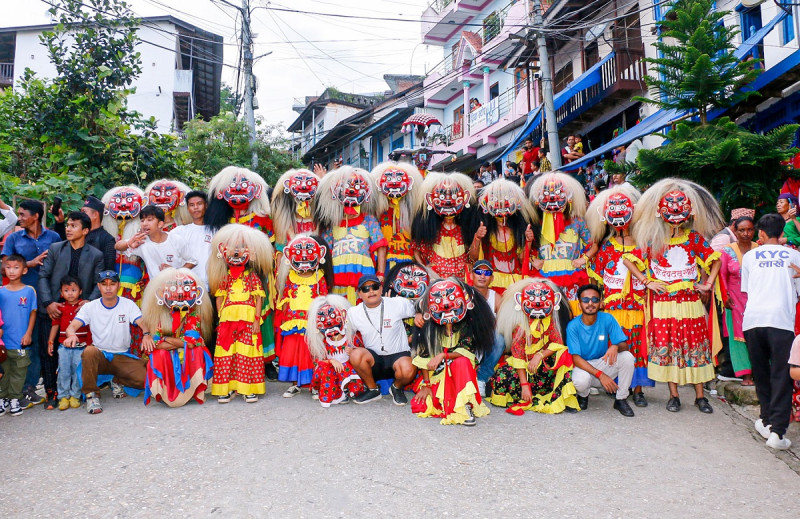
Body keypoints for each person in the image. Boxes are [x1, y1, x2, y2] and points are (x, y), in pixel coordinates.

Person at [631, 178, 725, 414]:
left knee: (696, 347)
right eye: (669, 207)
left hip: (690, 302)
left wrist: (708, 283)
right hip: (663, 304)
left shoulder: (694, 238)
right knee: (667, 346)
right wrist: (647, 281)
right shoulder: (653, 239)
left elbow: (715, 260)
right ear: (660, 211)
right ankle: (673, 396)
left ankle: (700, 396)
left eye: (679, 207)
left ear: (688, 211)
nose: (674, 212)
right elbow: (630, 260)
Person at [741, 213, 800, 450]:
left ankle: (766, 421)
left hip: (753, 320)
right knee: (781, 376)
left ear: (761, 234)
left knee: (761, 373)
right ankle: (777, 431)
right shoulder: (795, 255)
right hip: (781, 322)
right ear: (781, 233)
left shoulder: (750, 256)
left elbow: (746, 289)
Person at [37, 211, 103, 408]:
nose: (68, 228)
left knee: (78, 354)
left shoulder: (96, 254)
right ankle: (51, 393)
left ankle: (78, 391)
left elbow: (99, 282)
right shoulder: (56, 248)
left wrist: (89, 301)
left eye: (73, 225)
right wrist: (48, 302)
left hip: (81, 312)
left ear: (85, 230)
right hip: (54, 308)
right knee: (49, 352)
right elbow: (43, 276)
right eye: (67, 225)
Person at [64, 270, 153, 414]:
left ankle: (117, 380)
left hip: (122, 356)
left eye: (112, 284)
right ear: (99, 286)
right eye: (104, 284)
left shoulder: (128, 304)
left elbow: (141, 321)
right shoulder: (90, 307)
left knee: (148, 379)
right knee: (89, 351)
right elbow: (71, 327)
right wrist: (71, 335)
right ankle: (92, 395)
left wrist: (147, 334)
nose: (108, 288)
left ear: (118, 285)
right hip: (101, 356)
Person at [2, 199, 61, 408]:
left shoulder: (53, 237)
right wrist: (30, 263)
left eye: (23, 214)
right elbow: (4, 267)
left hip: (46, 298)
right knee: (16, 342)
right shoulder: (14, 238)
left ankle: (30, 387)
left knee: (38, 342)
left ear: (36, 216)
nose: (19, 218)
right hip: (18, 299)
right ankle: (11, 390)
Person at [411, 278, 493, 426]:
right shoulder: (426, 324)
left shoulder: (468, 324)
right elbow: (423, 356)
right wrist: (427, 384)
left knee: (462, 361)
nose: (447, 305)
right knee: (421, 405)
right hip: (437, 375)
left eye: (450, 299)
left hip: (461, 373)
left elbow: (466, 350)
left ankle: (465, 405)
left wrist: (443, 355)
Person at [208, 224, 273, 403]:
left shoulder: (252, 276)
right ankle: (227, 388)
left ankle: (248, 389)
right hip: (228, 319)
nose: (236, 254)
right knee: (227, 353)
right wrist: (222, 317)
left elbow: (259, 298)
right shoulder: (224, 276)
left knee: (247, 352)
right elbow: (219, 297)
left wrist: (256, 320)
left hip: (248, 317)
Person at [141, 268, 213, 407]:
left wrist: (165, 339)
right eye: (175, 288)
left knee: (196, 351)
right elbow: (156, 345)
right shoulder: (159, 314)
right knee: (158, 354)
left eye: (185, 288)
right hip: (170, 356)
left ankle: (194, 388)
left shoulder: (193, 315)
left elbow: (191, 344)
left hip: (186, 355)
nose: (180, 294)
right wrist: (181, 342)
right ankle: (166, 391)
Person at [347, 274, 418, 405]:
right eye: (366, 289)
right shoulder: (353, 313)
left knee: (408, 368)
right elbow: (346, 335)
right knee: (355, 354)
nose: (371, 291)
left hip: (398, 355)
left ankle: (396, 387)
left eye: (374, 287)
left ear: (381, 289)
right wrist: (349, 347)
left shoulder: (397, 303)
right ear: (359, 294)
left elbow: (419, 308)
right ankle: (373, 389)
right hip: (374, 360)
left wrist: (419, 317)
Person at [566, 284, 636, 417]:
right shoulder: (573, 326)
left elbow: (624, 345)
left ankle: (621, 399)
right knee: (580, 381)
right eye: (586, 300)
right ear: (579, 305)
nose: (590, 303)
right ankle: (583, 396)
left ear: (600, 303)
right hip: (584, 366)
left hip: (602, 362)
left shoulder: (607, 318)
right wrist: (601, 375)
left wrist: (615, 346)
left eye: (595, 300)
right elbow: (576, 358)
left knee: (627, 357)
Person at [306, 295, 364, 407]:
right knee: (326, 369)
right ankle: (333, 392)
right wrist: (331, 361)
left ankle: (347, 389)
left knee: (346, 368)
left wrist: (353, 351)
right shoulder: (322, 343)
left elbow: (362, 353)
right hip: (330, 372)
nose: (328, 322)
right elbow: (318, 362)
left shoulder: (352, 338)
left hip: (346, 369)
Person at [719, 215, 757, 386]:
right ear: (735, 230)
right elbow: (722, 276)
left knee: (756, 335)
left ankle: (759, 372)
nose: (746, 233)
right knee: (737, 337)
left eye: (749, 229)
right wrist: (725, 296)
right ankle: (745, 375)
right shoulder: (727, 250)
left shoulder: (759, 249)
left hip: (757, 300)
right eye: (742, 230)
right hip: (733, 300)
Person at [115, 205, 197, 281]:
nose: (145, 224)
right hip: (156, 289)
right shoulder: (141, 241)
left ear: (160, 224)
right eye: (142, 221)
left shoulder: (176, 239)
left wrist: (175, 272)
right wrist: (129, 243)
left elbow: (192, 261)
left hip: (178, 286)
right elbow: (117, 246)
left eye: (149, 220)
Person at [0, 254, 37, 417]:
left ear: (24, 270)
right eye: (8, 267)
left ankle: (15, 399)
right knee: (4, 372)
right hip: (3, 341)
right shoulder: (1, 291)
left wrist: (28, 333)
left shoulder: (29, 291)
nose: (12, 271)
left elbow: (33, 313)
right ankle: (3, 399)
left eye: (16, 267)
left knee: (19, 372)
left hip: (20, 340)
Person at [47, 276, 91, 410]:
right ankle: (63, 396)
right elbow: (55, 325)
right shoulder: (60, 308)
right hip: (64, 347)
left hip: (81, 347)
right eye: (66, 290)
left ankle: (75, 396)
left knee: (77, 372)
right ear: (61, 293)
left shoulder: (85, 307)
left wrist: (90, 344)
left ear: (80, 291)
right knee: (63, 371)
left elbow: (90, 327)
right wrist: (50, 341)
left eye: (73, 290)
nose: (70, 293)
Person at [469, 260, 505, 396]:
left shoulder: (496, 297)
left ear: (492, 278)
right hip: (465, 338)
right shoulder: (463, 292)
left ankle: (481, 378)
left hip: (487, 341)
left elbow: (502, 323)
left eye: (487, 273)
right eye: (478, 272)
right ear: (472, 275)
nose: (482, 276)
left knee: (501, 337)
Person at [170, 191, 214, 290]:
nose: (196, 207)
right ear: (188, 209)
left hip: (211, 285)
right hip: (185, 285)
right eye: (191, 205)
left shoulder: (216, 231)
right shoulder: (179, 232)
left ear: (206, 206)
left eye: (199, 204)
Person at [80, 195, 117, 270]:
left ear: (95, 215)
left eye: (84, 212)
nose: (81, 215)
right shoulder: (79, 234)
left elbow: (109, 270)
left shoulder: (107, 239)